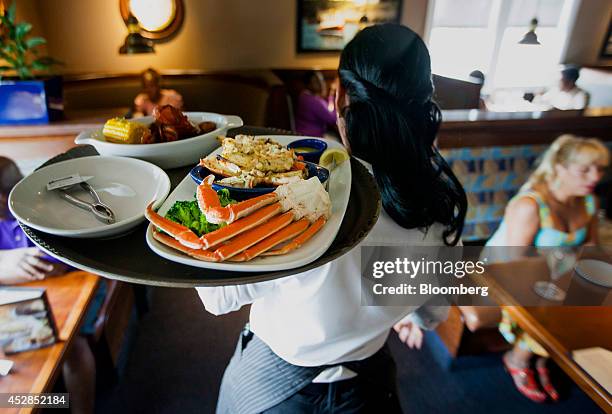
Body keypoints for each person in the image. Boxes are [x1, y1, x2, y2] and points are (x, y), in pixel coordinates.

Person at [197, 24, 467, 413]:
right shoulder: (443, 201)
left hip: (271, 385)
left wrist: (209, 195)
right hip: (369, 388)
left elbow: (217, 298)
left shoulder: (304, 193)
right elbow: (432, 314)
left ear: (337, 97)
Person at [486, 135, 609, 403]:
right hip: (500, 274)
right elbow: (511, 266)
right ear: (560, 168)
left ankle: (543, 356)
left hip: (554, 273)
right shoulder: (529, 206)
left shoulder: (588, 201)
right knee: (558, 309)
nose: (595, 176)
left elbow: (592, 249)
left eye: (600, 169)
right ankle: (518, 358)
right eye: (585, 170)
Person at [0, 157, 101, 414]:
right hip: (20, 296)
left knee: (71, 347)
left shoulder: (38, 216)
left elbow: (46, 265)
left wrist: (10, 268)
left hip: (75, 287)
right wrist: (5, 262)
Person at [294, 70, 337, 137]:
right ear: (308, 83)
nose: (321, 84)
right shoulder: (312, 100)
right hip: (311, 137)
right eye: (316, 81)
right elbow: (333, 119)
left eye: (321, 80)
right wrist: (332, 95)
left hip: (302, 135)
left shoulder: (303, 95)